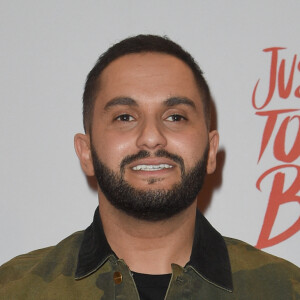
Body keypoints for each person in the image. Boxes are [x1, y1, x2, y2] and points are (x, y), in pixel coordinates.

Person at [0, 34, 299, 299]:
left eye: (175, 117)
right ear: (86, 152)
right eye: (125, 117)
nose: (152, 137)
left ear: (210, 151)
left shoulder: (285, 289)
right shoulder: (14, 290)